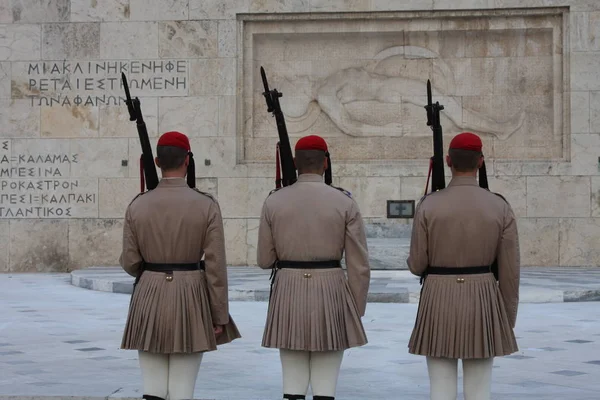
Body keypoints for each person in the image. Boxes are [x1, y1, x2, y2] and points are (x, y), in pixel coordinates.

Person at [119, 131, 241, 400]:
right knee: (182, 390)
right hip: (190, 294)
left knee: (153, 389)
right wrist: (219, 314)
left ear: (156, 161)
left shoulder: (137, 205)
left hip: (149, 291)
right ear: (188, 160)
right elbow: (215, 267)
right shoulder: (206, 205)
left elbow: (130, 262)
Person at [407, 132, 520, 400]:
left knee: (441, 388)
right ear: (480, 162)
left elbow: (417, 264)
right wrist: (506, 318)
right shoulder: (500, 206)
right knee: (479, 390)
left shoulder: (428, 205)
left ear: (448, 161)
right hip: (482, 297)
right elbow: (510, 272)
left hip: (437, 297)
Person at [256, 134, 371, 400]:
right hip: (331, 289)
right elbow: (359, 265)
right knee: (325, 385)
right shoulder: (344, 201)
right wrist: (355, 308)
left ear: (295, 163)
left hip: (288, 289)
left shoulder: (274, 201)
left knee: (292, 383)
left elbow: (264, 260)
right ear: (326, 163)